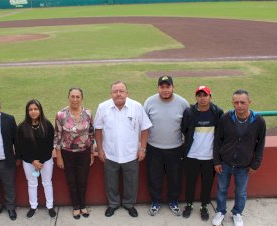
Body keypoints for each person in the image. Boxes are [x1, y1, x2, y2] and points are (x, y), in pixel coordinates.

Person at [95, 81, 152, 218]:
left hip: (131, 154)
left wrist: (142, 149)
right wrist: (101, 150)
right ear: (111, 94)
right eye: (115, 91)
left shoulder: (136, 106)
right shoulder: (103, 107)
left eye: (121, 91)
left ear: (127, 93)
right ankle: (113, 204)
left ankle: (129, 204)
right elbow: (98, 129)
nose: (118, 94)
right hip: (110, 154)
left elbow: (145, 128)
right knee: (111, 182)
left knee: (131, 182)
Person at [212, 89, 266, 226]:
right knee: (222, 189)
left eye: (243, 102)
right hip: (225, 163)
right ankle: (220, 211)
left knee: (241, 192)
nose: (239, 105)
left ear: (249, 102)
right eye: (236, 102)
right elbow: (217, 141)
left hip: (244, 165)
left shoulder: (259, 121)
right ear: (233, 103)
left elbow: (261, 144)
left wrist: (256, 163)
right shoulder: (225, 118)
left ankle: (237, 213)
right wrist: (217, 161)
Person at [143, 75, 189, 217]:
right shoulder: (149, 102)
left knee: (175, 177)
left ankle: (173, 201)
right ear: (158, 88)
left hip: (175, 148)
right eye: (162, 87)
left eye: (167, 87)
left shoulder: (183, 103)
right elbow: (144, 126)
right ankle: (156, 201)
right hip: (153, 148)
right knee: (154, 177)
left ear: (173, 87)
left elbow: (187, 128)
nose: (165, 90)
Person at [180, 86, 223, 221]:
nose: (202, 98)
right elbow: (184, 129)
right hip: (192, 155)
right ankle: (189, 204)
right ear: (196, 97)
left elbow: (221, 134)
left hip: (210, 157)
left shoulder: (217, 112)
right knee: (190, 182)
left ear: (210, 96)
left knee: (207, 184)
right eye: (199, 95)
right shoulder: (189, 112)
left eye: (205, 95)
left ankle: (204, 206)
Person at [54, 87, 95, 219]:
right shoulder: (61, 115)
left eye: (78, 97)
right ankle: (76, 206)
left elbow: (91, 134)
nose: (75, 99)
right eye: (72, 96)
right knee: (71, 181)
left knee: (82, 181)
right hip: (67, 153)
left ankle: (83, 205)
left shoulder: (88, 113)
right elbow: (57, 137)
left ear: (82, 98)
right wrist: (59, 157)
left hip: (84, 152)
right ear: (68, 97)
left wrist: (91, 154)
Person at [16, 99, 57, 219]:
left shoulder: (47, 125)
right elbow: (20, 147)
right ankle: (33, 206)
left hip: (46, 161)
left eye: (35, 109)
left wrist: (42, 161)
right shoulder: (22, 127)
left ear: (40, 110)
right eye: (30, 109)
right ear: (27, 111)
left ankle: (50, 206)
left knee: (47, 182)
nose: (33, 112)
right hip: (29, 162)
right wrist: (32, 161)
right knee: (32, 184)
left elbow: (50, 145)